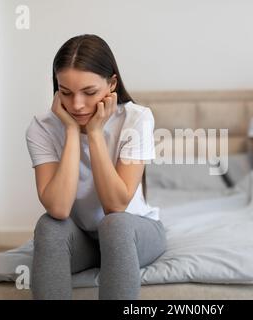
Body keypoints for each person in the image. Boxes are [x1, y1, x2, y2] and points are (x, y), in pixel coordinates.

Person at [25, 34, 166, 300]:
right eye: (65, 92)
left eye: (89, 92)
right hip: (84, 240)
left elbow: (116, 206)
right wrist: (70, 131)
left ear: (111, 84)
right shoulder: (42, 127)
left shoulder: (137, 119)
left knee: (115, 225)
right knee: (49, 226)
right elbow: (59, 208)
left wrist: (95, 134)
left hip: (134, 233)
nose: (76, 104)